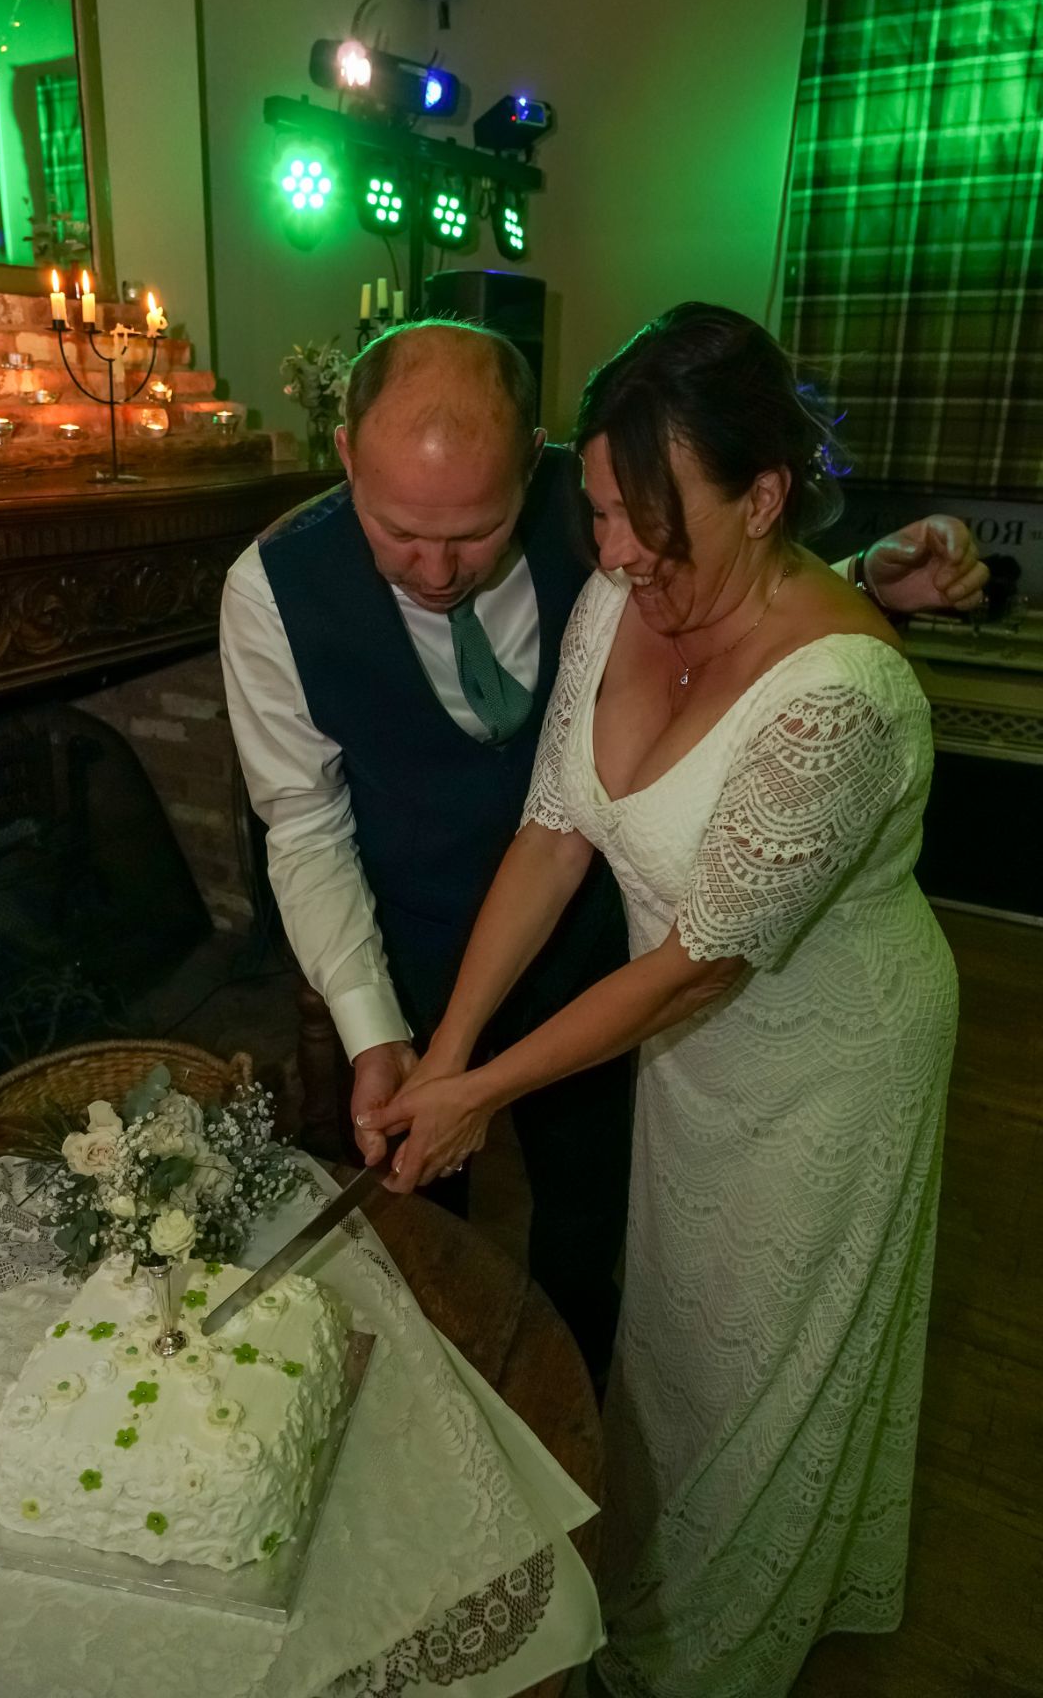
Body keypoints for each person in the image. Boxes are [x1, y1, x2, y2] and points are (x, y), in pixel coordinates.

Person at [360, 305, 960, 1696]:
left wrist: (483, 1099)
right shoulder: (615, 602)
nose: (616, 554)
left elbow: (700, 956)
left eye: (650, 521)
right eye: (598, 514)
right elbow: (552, 831)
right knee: (677, 1336)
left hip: (828, 1065)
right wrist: (442, 1054)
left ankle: (712, 1655)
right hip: (684, 1053)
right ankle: (647, 1570)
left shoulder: (844, 695)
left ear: (759, 500)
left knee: (775, 1364)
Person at [220, 320, 982, 1388]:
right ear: (345, 457)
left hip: (623, 961)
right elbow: (309, 826)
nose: (436, 572)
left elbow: (744, 614)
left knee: (596, 1231)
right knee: (420, 1244)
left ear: (533, 461)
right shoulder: (270, 592)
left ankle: (573, 1417)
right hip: (425, 951)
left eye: (477, 534)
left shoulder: (612, 511)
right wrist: (395, 1036)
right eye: (400, 535)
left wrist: (859, 581)